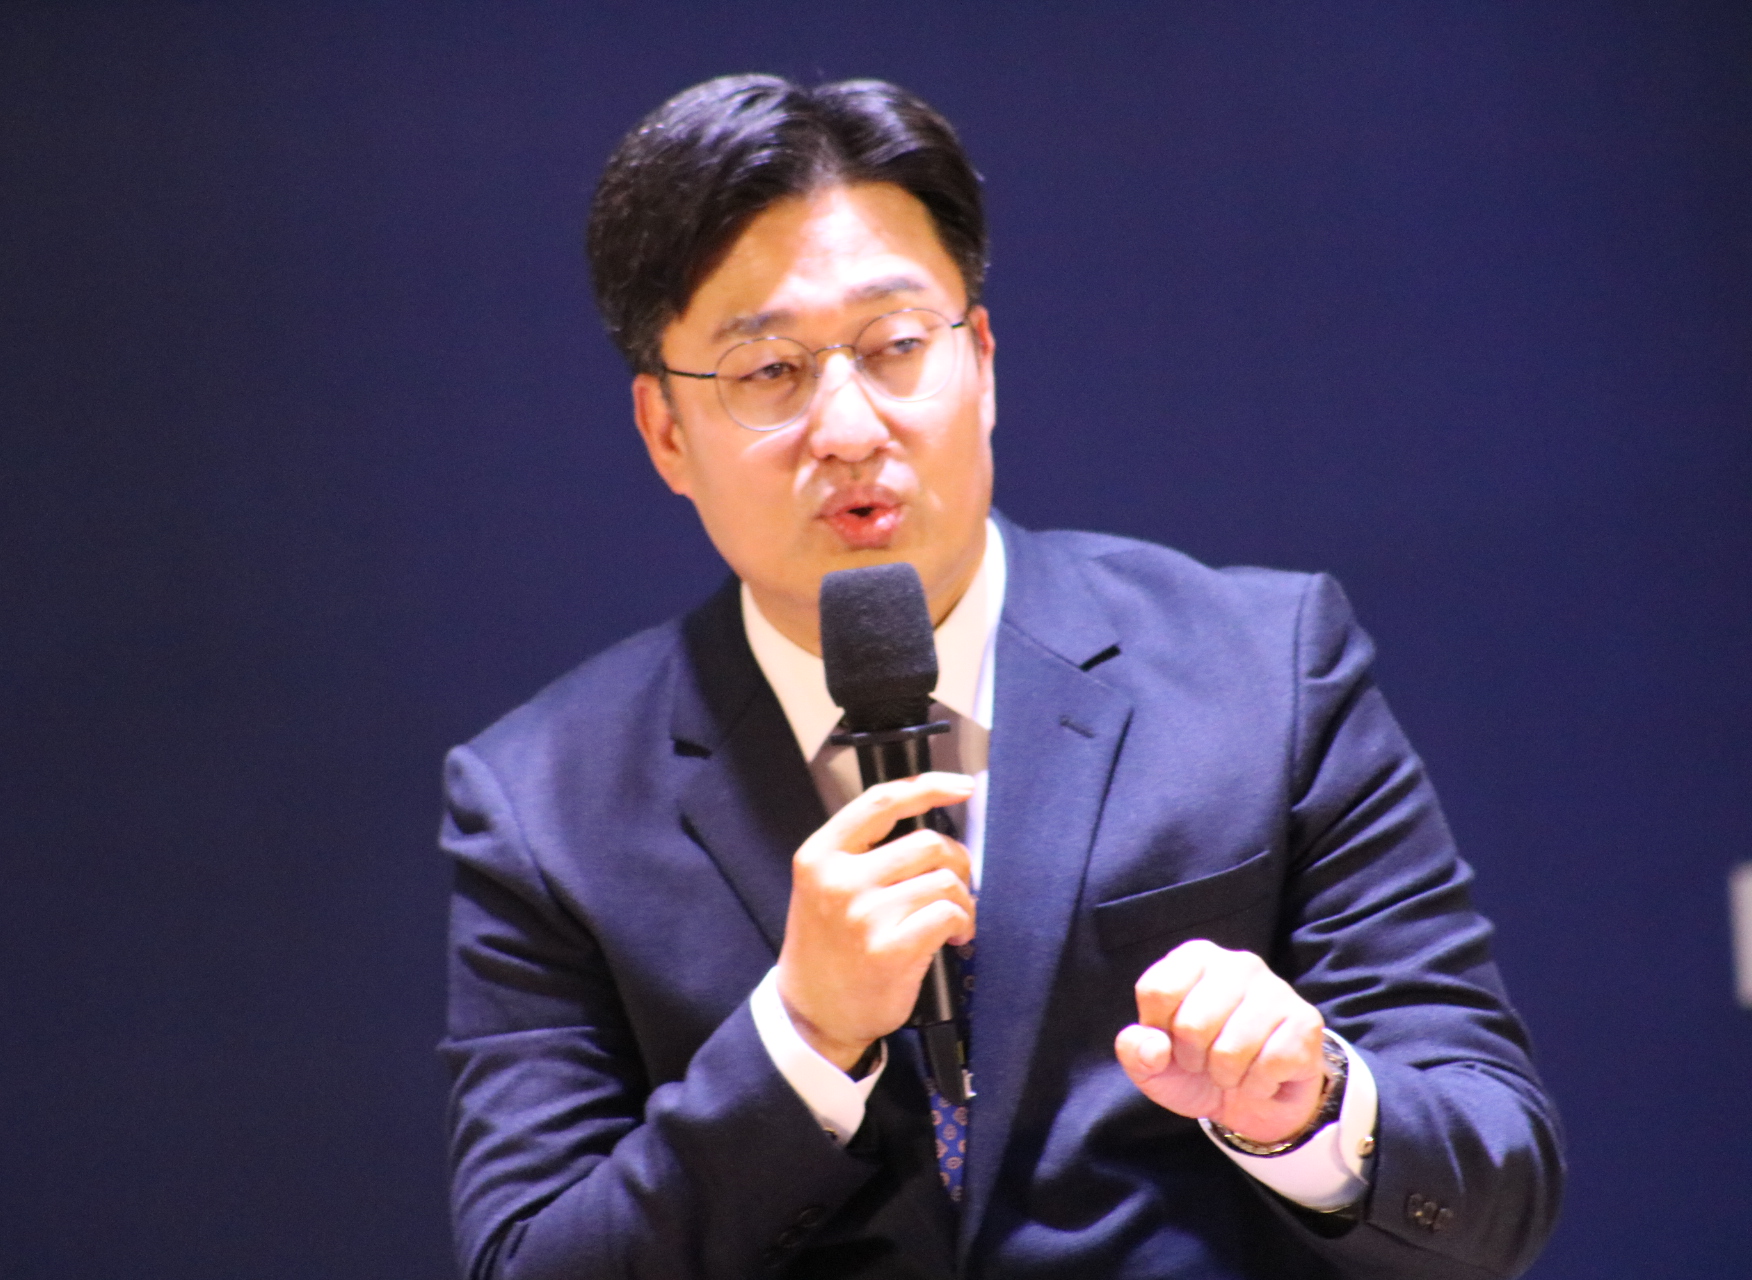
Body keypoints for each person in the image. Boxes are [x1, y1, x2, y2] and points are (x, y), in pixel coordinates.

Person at [439, 75, 1563, 1279]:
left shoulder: (1265, 666)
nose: (849, 427)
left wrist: (1311, 1108)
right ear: (667, 431)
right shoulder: (541, 805)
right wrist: (800, 1039)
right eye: (768, 370)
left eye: (894, 346)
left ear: (980, 358)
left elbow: (1498, 1177)